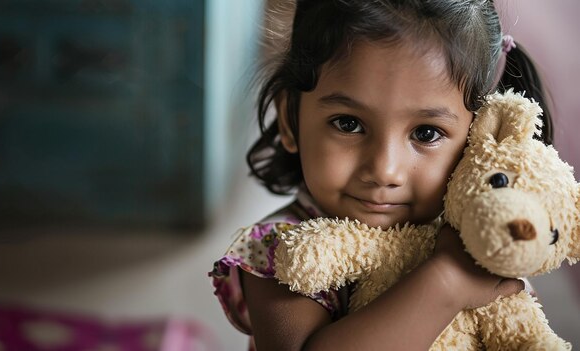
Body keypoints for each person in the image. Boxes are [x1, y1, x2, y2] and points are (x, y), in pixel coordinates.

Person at [208, 1, 553, 350]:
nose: (384, 170)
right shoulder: (283, 251)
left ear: (478, 135)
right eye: (348, 124)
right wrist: (446, 283)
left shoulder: (481, 238)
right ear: (289, 119)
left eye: (426, 133)